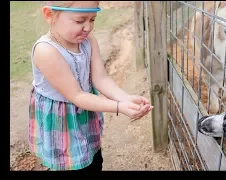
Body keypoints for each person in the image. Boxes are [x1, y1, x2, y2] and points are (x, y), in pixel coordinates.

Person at [28, 1, 153, 171]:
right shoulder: (46, 51)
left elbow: (101, 78)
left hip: (84, 111)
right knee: (71, 165)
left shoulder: (88, 41)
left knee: (94, 159)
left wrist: (126, 98)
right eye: (80, 21)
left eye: (92, 19)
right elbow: (77, 96)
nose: (88, 27)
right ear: (50, 15)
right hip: (63, 119)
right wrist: (118, 107)